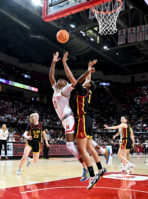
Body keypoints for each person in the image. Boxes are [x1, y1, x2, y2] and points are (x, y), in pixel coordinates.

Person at [49, 51, 110, 182]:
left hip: (70, 117)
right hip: (69, 119)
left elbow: (77, 80)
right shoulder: (56, 88)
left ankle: (85, 168)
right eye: (60, 80)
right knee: (84, 142)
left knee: (72, 146)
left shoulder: (66, 90)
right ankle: (104, 151)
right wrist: (53, 63)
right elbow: (51, 77)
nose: (61, 79)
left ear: (66, 85)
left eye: (63, 80)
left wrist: (68, 64)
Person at [62, 52, 106, 190]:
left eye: (87, 82)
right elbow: (88, 80)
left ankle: (92, 176)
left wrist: (64, 62)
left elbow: (71, 77)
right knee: (90, 148)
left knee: (81, 150)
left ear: (87, 85)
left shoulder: (82, 91)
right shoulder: (89, 92)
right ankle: (100, 169)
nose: (86, 81)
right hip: (88, 120)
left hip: (82, 120)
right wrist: (88, 67)